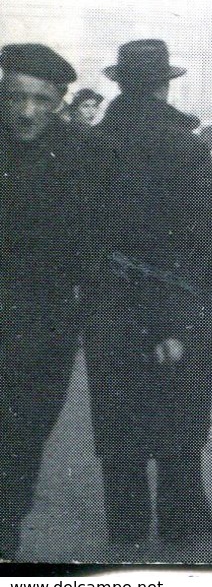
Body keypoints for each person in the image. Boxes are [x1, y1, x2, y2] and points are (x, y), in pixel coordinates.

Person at [85, 39, 212, 545]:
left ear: (120, 83)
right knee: (181, 415)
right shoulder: (184, 146)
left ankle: (125, 526)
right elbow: (204, 240)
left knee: (118, 416)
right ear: (166, 84)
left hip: (108, 307)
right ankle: (182, 520)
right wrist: (173, 321)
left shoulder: (92, 144)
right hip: (176, 304)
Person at [0, 44, 117, 560]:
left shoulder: (81, 153)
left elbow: (90, 241)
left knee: (22, 441)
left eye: (41, 101)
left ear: (60, 102)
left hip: (40, 328)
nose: (27, 112)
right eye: (17, 97)